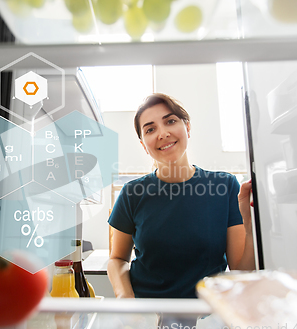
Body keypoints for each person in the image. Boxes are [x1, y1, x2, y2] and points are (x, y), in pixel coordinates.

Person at [107, 93, 255, 299]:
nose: (163, 133)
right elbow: (117, 259)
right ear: (143, 145)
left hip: (208, 316)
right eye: (150, 129)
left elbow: (242, 272)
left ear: (187, 127)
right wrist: (126, 298)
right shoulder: (132, 193)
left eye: (170, 121)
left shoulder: (225, 186)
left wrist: (251, 224)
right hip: (150, 317)